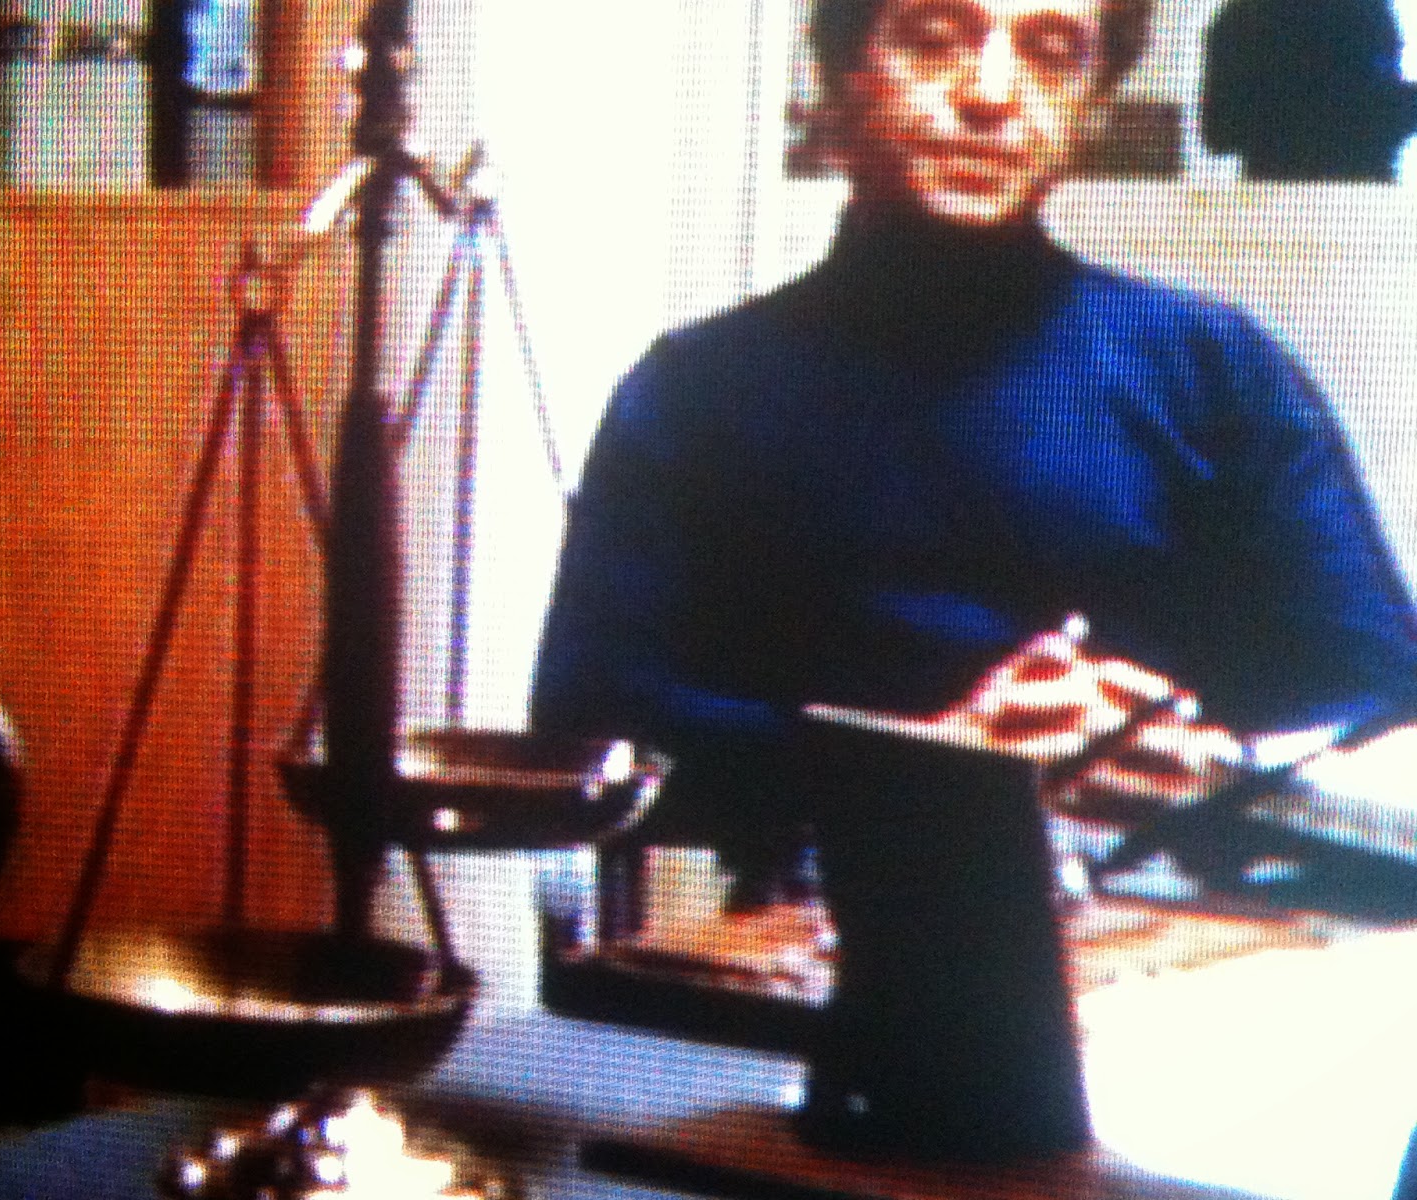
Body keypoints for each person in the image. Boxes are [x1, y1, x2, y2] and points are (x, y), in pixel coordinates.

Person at [532, 0, 1417, 1162]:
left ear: (1093, 102)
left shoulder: (1210, 370)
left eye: (1050, 52)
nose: (992, 96)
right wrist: (932, 769)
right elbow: (586, 727)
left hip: (1188, 982)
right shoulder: (701, 390)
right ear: (843, 72)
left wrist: (1203, 760)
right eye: (936, 37)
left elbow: (1380, 693)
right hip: (838, 980)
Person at [1203, 0, 1417, 182]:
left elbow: (1219, 132)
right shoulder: (1364, 11)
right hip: (1358, 194)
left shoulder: (1245, 14)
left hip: (1273, 196)